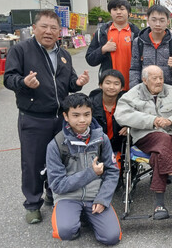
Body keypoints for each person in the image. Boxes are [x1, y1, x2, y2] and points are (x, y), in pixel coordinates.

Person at [4, 9, 90, 224]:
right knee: (33, 163)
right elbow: (8, 78)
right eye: (44, 26)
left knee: (60, 160)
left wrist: (77, 83)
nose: (49, 31)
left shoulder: (63, 54)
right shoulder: (21, 50)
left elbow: (69, 83)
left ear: (59, 32)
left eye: (54, 28)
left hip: (60, 118)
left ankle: (54, 192)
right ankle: (33, 204)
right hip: (33, 118)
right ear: (34, 28)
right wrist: (23, 83)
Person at [114, 65, 172, 220]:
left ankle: (160, 205)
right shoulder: (133, 94)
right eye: (154, 78)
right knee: (162, 142)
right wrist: (152, 121)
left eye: (161, 78)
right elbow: (122, 114)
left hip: (170, 135)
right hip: (146, 136)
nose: (159, 81)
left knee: (160, 153)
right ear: (144, 80)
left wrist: (170, 120)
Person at [46, 93, 121, 245]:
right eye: (76, 115)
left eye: (87, 114)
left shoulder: (102, 139)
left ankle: (87, 215)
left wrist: (103, 198)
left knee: (112, 237)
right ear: (66, 116)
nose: (82, 120)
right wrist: (91, 173)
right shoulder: (56, 145)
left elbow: (113, 172)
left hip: (95, 196)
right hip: (68, 197)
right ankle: (75, 216)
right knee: (65, 232)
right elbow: (57, 185)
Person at [86, 0, 140, 91]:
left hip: (132, 86)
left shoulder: (137, 34)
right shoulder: (102, 32)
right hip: (110, 87)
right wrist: (103, 49)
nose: (118, 12)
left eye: (122, 9)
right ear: (110, 12)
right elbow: (90, 59)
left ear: (128, 12)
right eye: (115, 9)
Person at [129, 4, 172, 89]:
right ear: (148, 20)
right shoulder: (139, 42)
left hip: (169, 90)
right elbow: (134, 69)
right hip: (145, 89)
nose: (158, 24)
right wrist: (136, 89)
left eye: (162, 20)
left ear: (168, 22)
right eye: (154, 20)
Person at [89, 69, 127, 169]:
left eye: (116, 84)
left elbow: (138, 117)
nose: (111, 87)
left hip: (119, 146)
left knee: (115, 175)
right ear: (100, 85)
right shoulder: (90, 104)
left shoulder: (127, 103)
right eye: (108, 83)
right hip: (97, 146)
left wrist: (129, 125)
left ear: (122, 88)